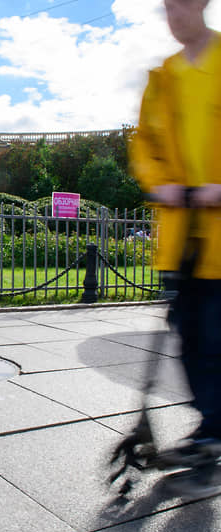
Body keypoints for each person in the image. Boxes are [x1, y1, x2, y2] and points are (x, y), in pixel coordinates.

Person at [131, 0, 221, 496]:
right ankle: (210, 432)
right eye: (167, 6)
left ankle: (212, 433)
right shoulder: (161, 77)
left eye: (182, 4)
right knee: (190, 339)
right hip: (181, 235)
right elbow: (144, 143)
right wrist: (159, 181)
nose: (174, 14)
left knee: (215, 337)